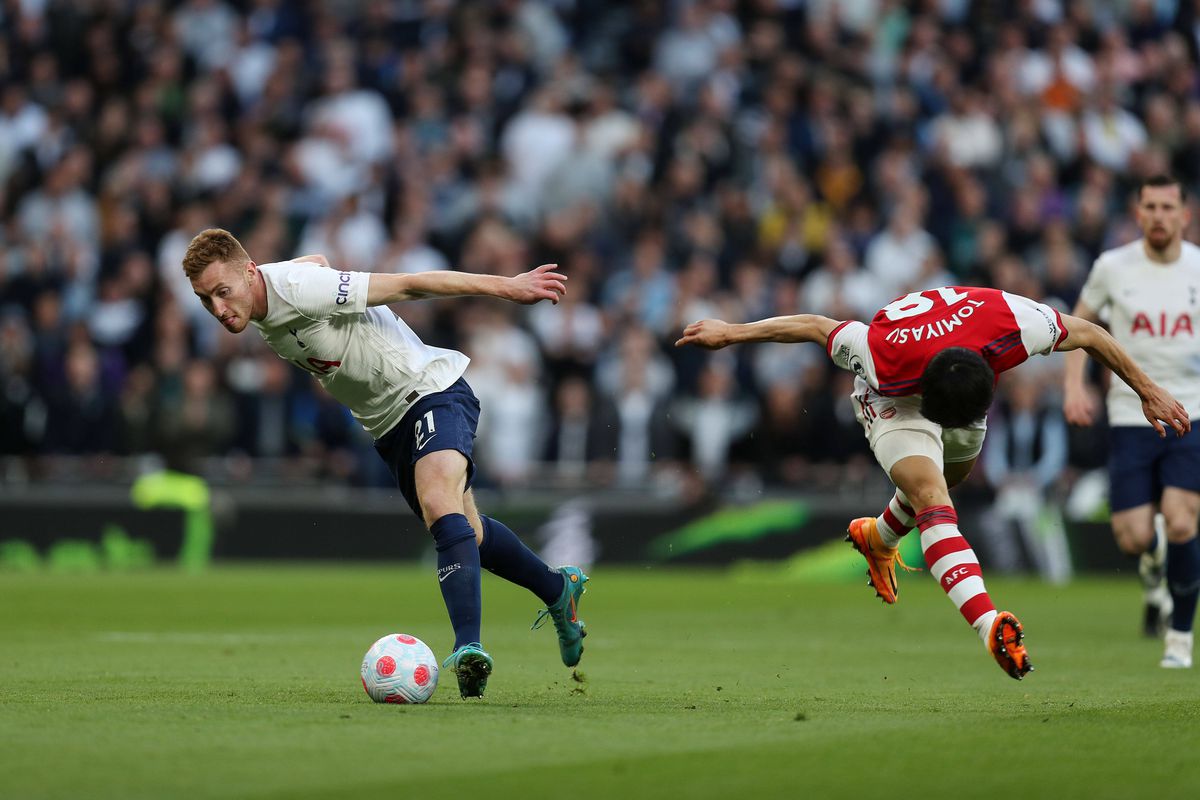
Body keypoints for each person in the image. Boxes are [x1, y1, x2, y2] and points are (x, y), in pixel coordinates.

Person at [677, 285, 1190, 679]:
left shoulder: (1015, 325)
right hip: (892, 400)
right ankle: (992, 625)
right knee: (932, 495)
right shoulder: (879, 353)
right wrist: (731, 332)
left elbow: (1093, 334)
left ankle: (878, 538)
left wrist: (1147, 391)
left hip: (957, 373)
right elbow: (815, 325)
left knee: (953, 476)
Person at [182, 228, 588, 698]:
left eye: (222, 292)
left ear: (249, 272)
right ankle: (558, 589)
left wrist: (507, 287)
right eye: (205, 299)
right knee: (466, 532)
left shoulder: (299, 290)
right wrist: (305, 268)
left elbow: (412, 284)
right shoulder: (266, 295)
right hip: (388, 426)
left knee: (440, 504)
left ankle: (469, 649)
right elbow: (313, 259)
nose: (217, 309)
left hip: (429, 389)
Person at [1063, 174, 1200, 668]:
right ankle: (1152, 561)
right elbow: (1078, 328)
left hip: (1190, 413)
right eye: (1151, 207)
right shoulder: (1112, 267)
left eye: (1169, 207)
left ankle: (1180, 637)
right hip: (1129, 416)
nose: (1159, 216)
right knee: (1133, 536)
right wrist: (1074, 386)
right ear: (1137, 213)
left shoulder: (1198, 270)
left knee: (1183, 520)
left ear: (1185, 215)